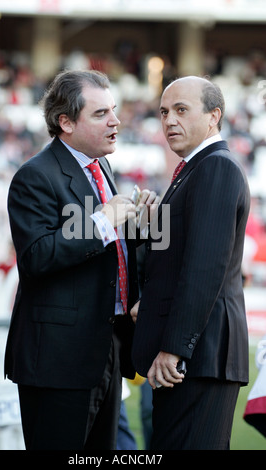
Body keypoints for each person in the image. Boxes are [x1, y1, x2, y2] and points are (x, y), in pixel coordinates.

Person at [4, 69, 157, 450]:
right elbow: (37, 257)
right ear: (66, 122)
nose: (116, 121)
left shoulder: (101, 165)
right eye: (101, 113)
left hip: (106, 347)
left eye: (115, 110)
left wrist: (142, 226)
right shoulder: (34, 176)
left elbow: (109, 252)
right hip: (58, 358)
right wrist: (104, 221)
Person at [131, 76, 251, 450]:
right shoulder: (194, 169)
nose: (168, 120)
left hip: (197, 356)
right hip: (191, 357)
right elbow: (171, 258)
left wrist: (175, 348)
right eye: (164, 111)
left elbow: (204, 267)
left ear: (214, 116)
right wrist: (147, 227)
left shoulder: (216, 167)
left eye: (181, 110)